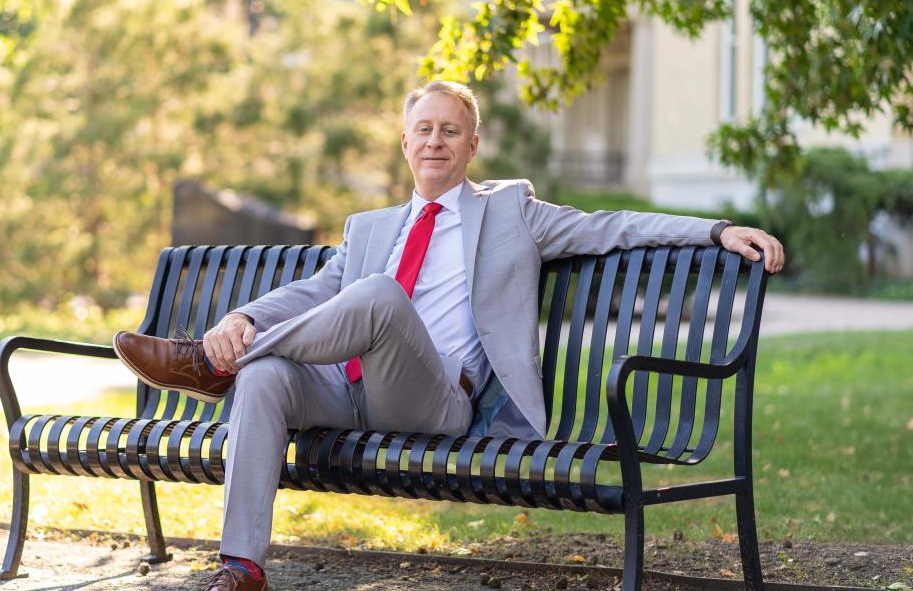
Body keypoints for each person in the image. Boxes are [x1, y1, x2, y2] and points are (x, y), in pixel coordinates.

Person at [114, 81, 785, 591]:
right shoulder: (370, 227)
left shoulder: (511, 214)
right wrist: (244, 319)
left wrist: (716, 231)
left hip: (439, 400)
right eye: (424, 130)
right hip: (349, 392)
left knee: (378, 297)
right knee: (262, 376)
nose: (435, 141)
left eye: (451, 131)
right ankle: (243, 567)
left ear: (472, 146)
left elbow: (613, 225)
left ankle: (205, 365)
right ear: (405, 144)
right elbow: (315, 291)